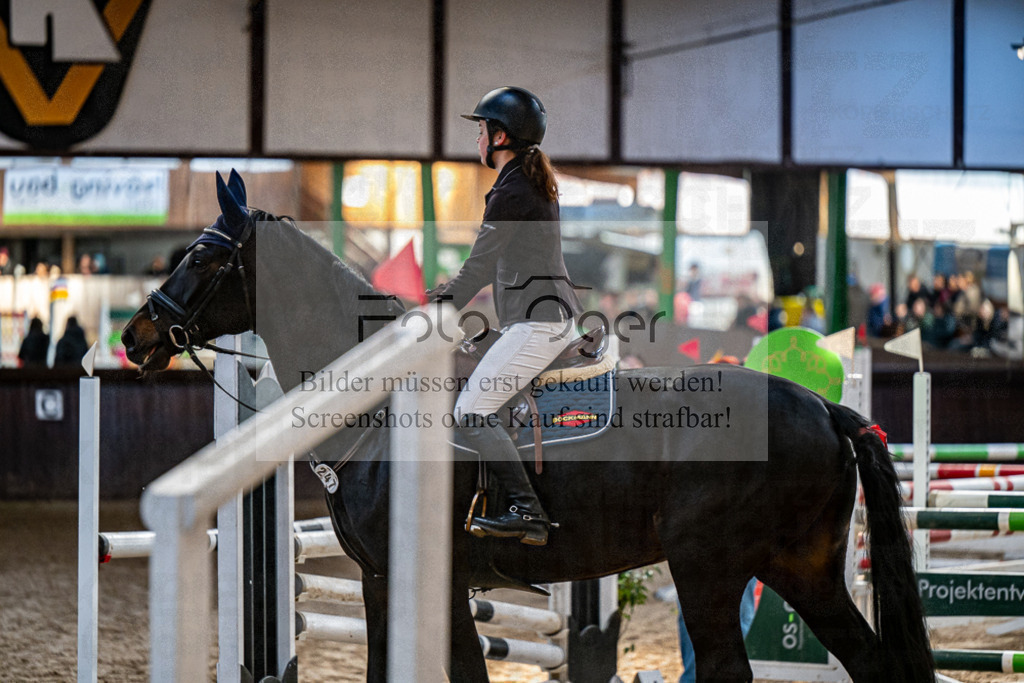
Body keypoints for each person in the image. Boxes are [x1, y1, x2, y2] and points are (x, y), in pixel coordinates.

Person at [427, 86, 583, 546]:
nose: (477, 139)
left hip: (539, 324)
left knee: (471, 411)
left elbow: (478, 267)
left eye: (481, 130)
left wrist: (438, 308)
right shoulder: (523, 182)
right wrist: (443, 295)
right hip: (538, 317)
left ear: (499, 137)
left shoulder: (512, 190)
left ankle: (527, 511)